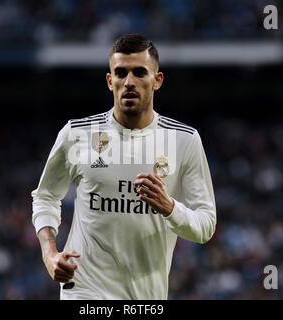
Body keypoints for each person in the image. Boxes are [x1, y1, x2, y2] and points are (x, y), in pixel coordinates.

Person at [31, 34, 216, 300]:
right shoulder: (78, 133)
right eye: (121, 73)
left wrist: (170, 208)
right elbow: (46, 196)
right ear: (110, 81)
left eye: (140, 72)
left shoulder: (183, 140)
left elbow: (205, 226)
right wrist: (49, 254)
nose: (129, 82)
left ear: (157, 80)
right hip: (84, 291)